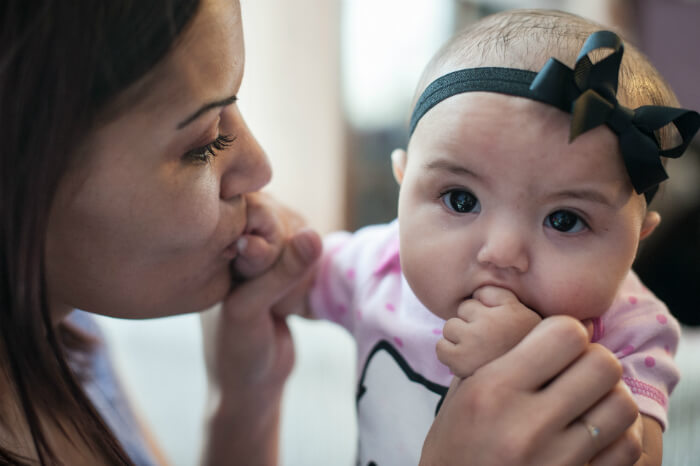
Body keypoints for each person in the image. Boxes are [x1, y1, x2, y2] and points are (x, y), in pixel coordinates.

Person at [0, 2, 664, 465]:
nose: (262, 166)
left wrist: (244, 397)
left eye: (566, 220)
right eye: (202, 142)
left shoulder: (73, 352)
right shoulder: (381, 269)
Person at [281, 9, 700, 466]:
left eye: (564, 220)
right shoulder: (377, 264)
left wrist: (534, 362)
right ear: (404, 182)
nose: (501, 253)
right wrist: (267, 241)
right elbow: (290, 275)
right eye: (460, 200)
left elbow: (638, 457)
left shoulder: (629, 328)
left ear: (637, 242)